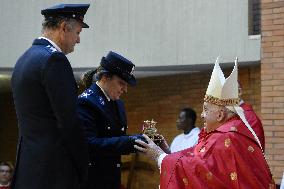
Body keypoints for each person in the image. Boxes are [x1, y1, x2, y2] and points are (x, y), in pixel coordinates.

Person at [135, 58, 276, 189]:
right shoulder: (229, 131)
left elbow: (200, 169)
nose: (202, 115)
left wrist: (159, 156)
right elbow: (198, 159)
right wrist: (168, 153)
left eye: (206, 109)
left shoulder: (226, 137)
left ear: (220, 115)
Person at [11, 4, 90, 189]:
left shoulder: (24, 59)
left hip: (29, 168)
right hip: (54, 172)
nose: (78, 40)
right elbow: (69, 121)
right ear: (63, 27)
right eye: (77, 32)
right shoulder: (54, 59)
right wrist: (83, 164)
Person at [77, 51, 147, 189]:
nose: (125, 89)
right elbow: (88, 145)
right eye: (121, 83)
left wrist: (139, 142)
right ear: (105, 77)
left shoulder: (117, 103)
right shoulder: (86, 102)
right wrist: (130, 142)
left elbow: (115, 138)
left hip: (111, 178)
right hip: (92, 181)